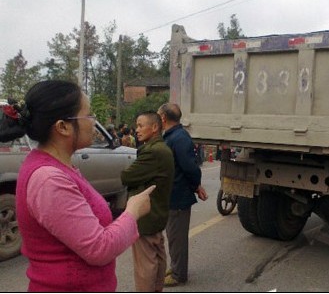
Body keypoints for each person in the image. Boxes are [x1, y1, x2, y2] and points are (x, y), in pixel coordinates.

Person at [0, 80, 154, 292]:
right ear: (62, 127)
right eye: (88, 115)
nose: (93, 122)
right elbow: (100, 248)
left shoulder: (59, 167)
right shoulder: (49, 179)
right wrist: (132, 211)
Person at [120, 111, 175, 292]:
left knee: (145, 265)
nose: (137, 130)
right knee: (158, 257)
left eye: (141, 125)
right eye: (136, 125)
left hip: (147, 215)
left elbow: (127, 176)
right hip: (158, 212)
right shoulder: (162, 149)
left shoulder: (152, 151)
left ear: (154, 127)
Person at [157, 103, 208, 287]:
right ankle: (176, 266)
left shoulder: (178, 138)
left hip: (178, 196)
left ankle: (179, 274)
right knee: (173, 235)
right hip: (172, 195)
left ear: (163, 117)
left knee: (177, 236)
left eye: (157, 115)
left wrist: (196, 185)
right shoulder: (172, 136)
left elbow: (190, 167)